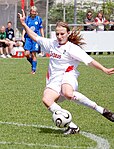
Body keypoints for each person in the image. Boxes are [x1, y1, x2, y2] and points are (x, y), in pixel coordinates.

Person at [19, 10, 114, 135]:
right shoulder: (51, 44)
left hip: (68, 76)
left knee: (68, 93)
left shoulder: (72, 48)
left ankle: (101, 110)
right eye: (57, 34)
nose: (59, 36)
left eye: (62, 34)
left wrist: (104, 69)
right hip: (54, 79)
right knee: (46, 100)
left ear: (68, 33)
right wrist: (24, 24)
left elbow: (89, 61)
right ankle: (72, 126)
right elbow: (34, 36)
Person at [22, 6, 44, 74]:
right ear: (30, 12)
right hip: (28, 38)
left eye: (35, 11)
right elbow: (24, 28)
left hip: (35, 38)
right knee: (27, 54)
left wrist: (42, 37)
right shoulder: (27, 19)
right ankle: (33, 63)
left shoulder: (38, 19)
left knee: (34, 54)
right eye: (33, 11)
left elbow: (41, 28)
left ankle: (33, 70)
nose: (34, 13)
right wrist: (23, 36)